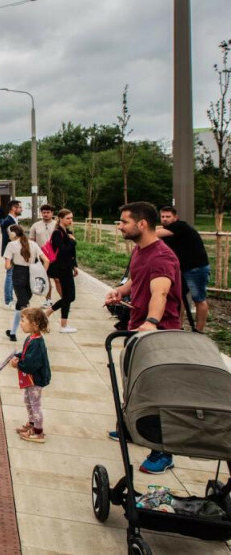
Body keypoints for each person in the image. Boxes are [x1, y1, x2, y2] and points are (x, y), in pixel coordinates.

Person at [104, 201, 183, 474]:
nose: (120, 226)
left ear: (142, 224)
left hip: (158, 335)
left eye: (124, 221)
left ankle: (163, 452)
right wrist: (120, 291)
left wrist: (151, 322)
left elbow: (160, 292)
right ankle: (132, 427)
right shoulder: (141, 251)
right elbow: (137, 281)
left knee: (157, 394)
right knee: (133, 383)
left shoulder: (162, 257)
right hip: (137, 330)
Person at [157, 205, 209, 332]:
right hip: (182, 269)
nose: (165, 219)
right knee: (179, 298)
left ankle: (199, 330)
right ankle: (177, 326)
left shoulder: (180, 226)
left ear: (175, 217)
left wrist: (141, 229)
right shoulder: (168, 231)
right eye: (162, 217)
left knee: (199, 299)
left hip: (196, 268)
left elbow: (154, 234)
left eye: (168, 216)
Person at [3, 224, 50, 341]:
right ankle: (12, 332)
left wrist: (13, 263)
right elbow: (46, 260)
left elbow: (7, 266)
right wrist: (42, 273)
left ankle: (36, 331)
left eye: (9, 233)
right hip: (32, 275)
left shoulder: (11, 245)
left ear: (13, 234)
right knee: (21, 304)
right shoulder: (33, 244)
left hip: (18, 275)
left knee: (25, 306)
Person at [11, 307, 51, 443]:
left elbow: (31, 364)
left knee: (35, 404)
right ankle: (32, 424)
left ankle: (38, 432)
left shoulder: (37, 343)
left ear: (34, 324)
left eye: (23, 320)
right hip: (31, 379)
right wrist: (18, 356)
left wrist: (18, 364)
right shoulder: (31, 338)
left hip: (36, 379)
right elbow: (25, 354)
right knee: (28, 401)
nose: (21, 323)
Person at [44, 208, 78, 333]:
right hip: (60, 268)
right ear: (60, 219)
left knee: (69, 296)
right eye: (68, 218)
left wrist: (75, 266)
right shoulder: (57, 233)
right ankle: (63, 325)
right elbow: (63, 250)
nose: (70, 220)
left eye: (71, 218)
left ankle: (48, 313)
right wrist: (73, 242)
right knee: (68, 296)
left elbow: (72, 253)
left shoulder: (67, 231)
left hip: (67, 267)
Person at [28, 204, 57, 307]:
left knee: (58, 279)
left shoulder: (56, 225)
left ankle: (64, 301)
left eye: (48, 212)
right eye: (44, 212)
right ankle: (48, 299)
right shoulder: (35, 226)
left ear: (52, 213)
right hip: (42, 257)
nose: (45, 214)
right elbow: (31, 241)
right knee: (46, 278)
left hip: (56, 256)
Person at [0, 200, 23, 306]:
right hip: (11, 251)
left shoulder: (11, 220)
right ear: (14, 208)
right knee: (10, 275)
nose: (21, 209)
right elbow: (8, 239)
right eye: (20, 207)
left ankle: (10, 298)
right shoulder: (9, 221)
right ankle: (8, 300)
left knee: (12, 275)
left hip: (12, 251)